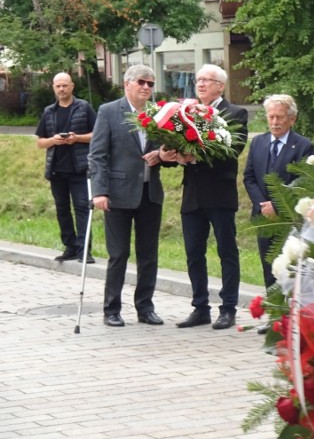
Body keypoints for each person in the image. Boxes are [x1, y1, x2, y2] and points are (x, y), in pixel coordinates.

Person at [171, 64, 249, 330]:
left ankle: (228, 308)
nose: (201, 84)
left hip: (219, 193)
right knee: (194, 253)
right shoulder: (184, 112)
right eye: (198, 80)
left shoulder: (236, 113)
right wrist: (174, 154)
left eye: (207, 80)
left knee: (226, 251)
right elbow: (176, 143)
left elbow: (231, 150)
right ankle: (200, 307)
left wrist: (196, 154)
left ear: (221, 86)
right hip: (193, 194)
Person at [89, 65, 167, 327]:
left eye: (150, 83)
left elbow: (166, 155)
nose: (146, 87)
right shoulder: (109, 111)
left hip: (150, 193)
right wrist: (99, 191)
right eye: (142, 82)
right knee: (119, 253)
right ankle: (111, 309)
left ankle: (145, 307)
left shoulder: (159, 115)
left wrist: (165, 156)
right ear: (127, 84)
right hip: (118, 194)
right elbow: (97, 155)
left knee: (148, 255)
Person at [243, 94, 313, 291]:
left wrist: (278, 205)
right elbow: (249, 177)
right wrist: (262, 205)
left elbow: (304, 182)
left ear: (292, 119)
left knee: (291, 271)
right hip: (264, 218)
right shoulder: (258, 142)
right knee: (269, 270)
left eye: (279, 117)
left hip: (290, 220)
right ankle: (273, 316)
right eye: (271, 116)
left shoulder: (303, 146)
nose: (274, 122)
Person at [35, 72, 97, 263]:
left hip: (79, 169)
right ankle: (69, 246)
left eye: (65, 85)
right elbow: (40, 142)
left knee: (82, 208)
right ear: (53, 88)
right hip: (56, 170)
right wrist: (53, 140)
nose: (61, 89)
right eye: (58, 86)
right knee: (62, 209)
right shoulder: (49, 111)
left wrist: (76, 138)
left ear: (72, 86)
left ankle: (84, 250)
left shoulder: (84, 107)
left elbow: (97, 134)